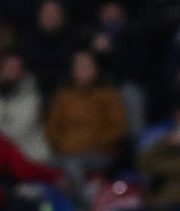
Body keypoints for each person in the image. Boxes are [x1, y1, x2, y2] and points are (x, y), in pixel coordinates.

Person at [44, 50, 127, 200]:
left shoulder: (108, 94)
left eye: (86, 66)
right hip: (66, 151)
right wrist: (63, 144)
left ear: (95, 69)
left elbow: (119, 127)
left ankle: (85, 207)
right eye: (78, 66)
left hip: (100, 152)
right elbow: (52, 128)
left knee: (72, 165)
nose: (82, 70)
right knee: (41, 166)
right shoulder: (63, 96)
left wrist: (94, 142)